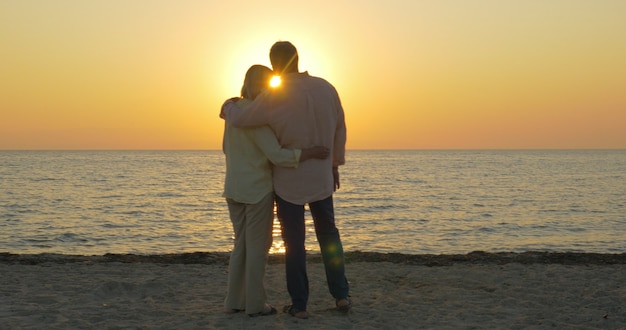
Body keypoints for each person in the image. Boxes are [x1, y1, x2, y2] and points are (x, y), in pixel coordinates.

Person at [221, 41, 350, 319]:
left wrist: (227, 106)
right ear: (297, 58)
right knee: (329, 236)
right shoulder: (327, 88)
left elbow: (243, 118)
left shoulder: (273, 95)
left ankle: (300, 305)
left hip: (289, 182)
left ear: (275, 64)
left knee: (295, 243)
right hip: (321, 178)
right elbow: (340, 128)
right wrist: (335, 165)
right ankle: (341, 295)